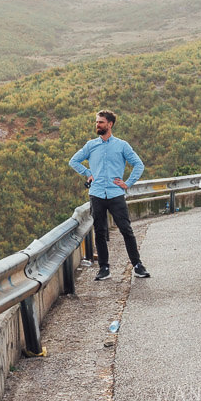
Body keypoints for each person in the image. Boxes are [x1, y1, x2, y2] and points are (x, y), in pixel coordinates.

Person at [69, 110, 150, 280]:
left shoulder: (122, 145)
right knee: (99, 231)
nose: (97, 125)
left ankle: (137, 265)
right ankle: (104, 268)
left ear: (110, 124)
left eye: (100, 122)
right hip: (97, 194)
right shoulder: (91, 145)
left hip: (115, 194)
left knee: (126, 230)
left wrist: (127, 183)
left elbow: (138, 165)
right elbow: (73, 161)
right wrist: (88, 173)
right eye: (96, 122)